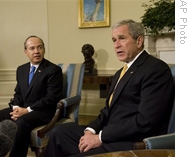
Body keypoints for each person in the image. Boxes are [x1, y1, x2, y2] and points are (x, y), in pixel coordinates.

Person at [44, 19, 174, 157]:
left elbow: (145, 122)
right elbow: (107, 111)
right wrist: (91, 130)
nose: (116, 45)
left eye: (122, 38)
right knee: (59, 132)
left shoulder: (155, 69)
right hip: (110, 134)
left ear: (139, 41)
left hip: (130, 141)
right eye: (114, 40)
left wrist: (100, 137)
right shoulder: (120, 73)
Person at [0, 35, 63, 157]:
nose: (36, 51)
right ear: (26, 52)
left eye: (40, 48)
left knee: (21, 123)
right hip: (22, 108)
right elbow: (18, 92)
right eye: (32, 48)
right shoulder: (21, 69)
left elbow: (52, 98)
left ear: (44, 50)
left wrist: (27, 110)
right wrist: (16, 108)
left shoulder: (53, 70)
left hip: (43, 111)